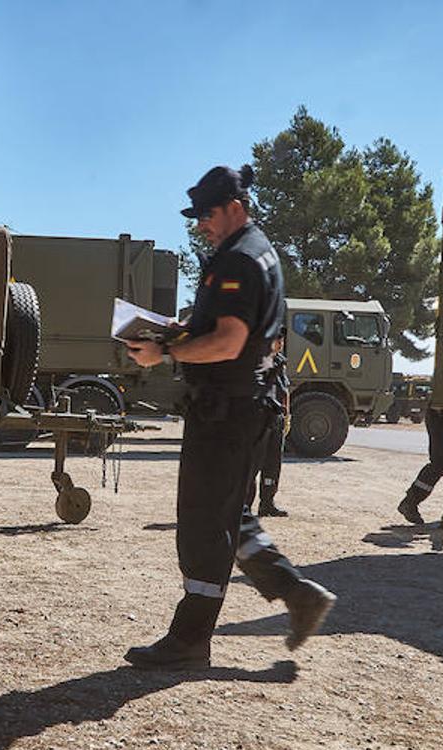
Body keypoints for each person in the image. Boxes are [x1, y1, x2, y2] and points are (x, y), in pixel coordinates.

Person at [122, 164, 336, 670]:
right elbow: (225, 329)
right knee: (229, 516)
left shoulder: (239, 259)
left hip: (227, 412)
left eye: (206, 215)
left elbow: (229, 342)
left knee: (202, 524)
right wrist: (178, 331)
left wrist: (164, 355)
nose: (200, 224)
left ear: (234, 208)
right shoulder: (256, 250)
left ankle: (191, 637)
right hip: (243, 407)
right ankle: (298, 594)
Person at [248, 330, 290, 517]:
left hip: (277, 418)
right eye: (277, 341)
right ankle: (244, 506)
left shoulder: (280, 361)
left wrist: (287, 415)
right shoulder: (258, 360)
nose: (280, 344)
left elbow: (285, 389)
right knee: (252, 464)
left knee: (273, 463)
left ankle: (267, 503)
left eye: (282, 341)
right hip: (260, 419)